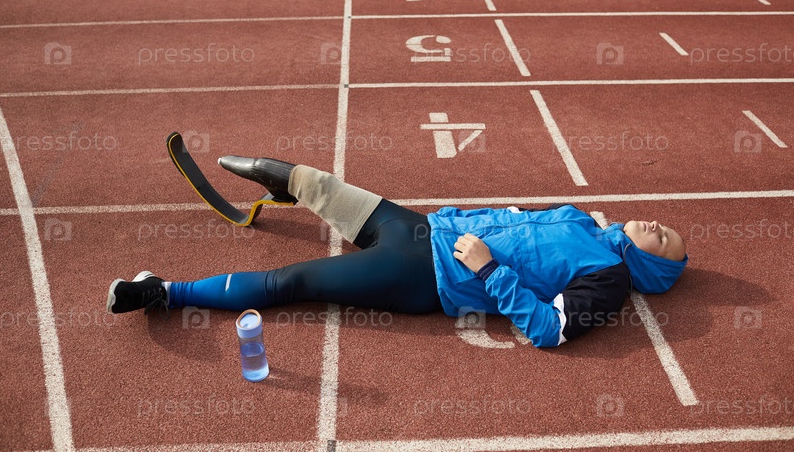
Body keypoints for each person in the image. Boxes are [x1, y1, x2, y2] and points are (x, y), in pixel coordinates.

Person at [106, 156, 688, 347]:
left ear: (651, 265)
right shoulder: (584, 221)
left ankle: (162, 292)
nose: (657, 225)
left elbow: (548, 330)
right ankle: (274, 184)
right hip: (421, 229)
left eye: (661, 238)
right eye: (663, 227)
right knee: (314, 182)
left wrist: (488, 269)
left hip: (423, 276)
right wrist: (448, 219)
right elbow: (510, 217)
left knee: (291, 282)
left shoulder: (608, 279)